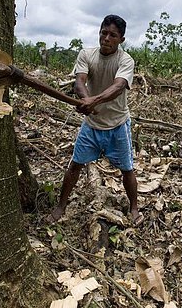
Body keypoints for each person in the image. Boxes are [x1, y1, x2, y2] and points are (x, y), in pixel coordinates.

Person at [46, 14, 143, 226]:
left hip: (117, 124)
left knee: (127, 169)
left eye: (113, 35)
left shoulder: (125, 60)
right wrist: (85, 99)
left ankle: (134, 207)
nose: (106, 38)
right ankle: (61, 206)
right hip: (91, 125)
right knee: (75, 165)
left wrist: (93, 101)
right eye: (103, 33)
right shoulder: (86, 55)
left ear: (121, 40)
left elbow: (118, 87)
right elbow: (79, 81)